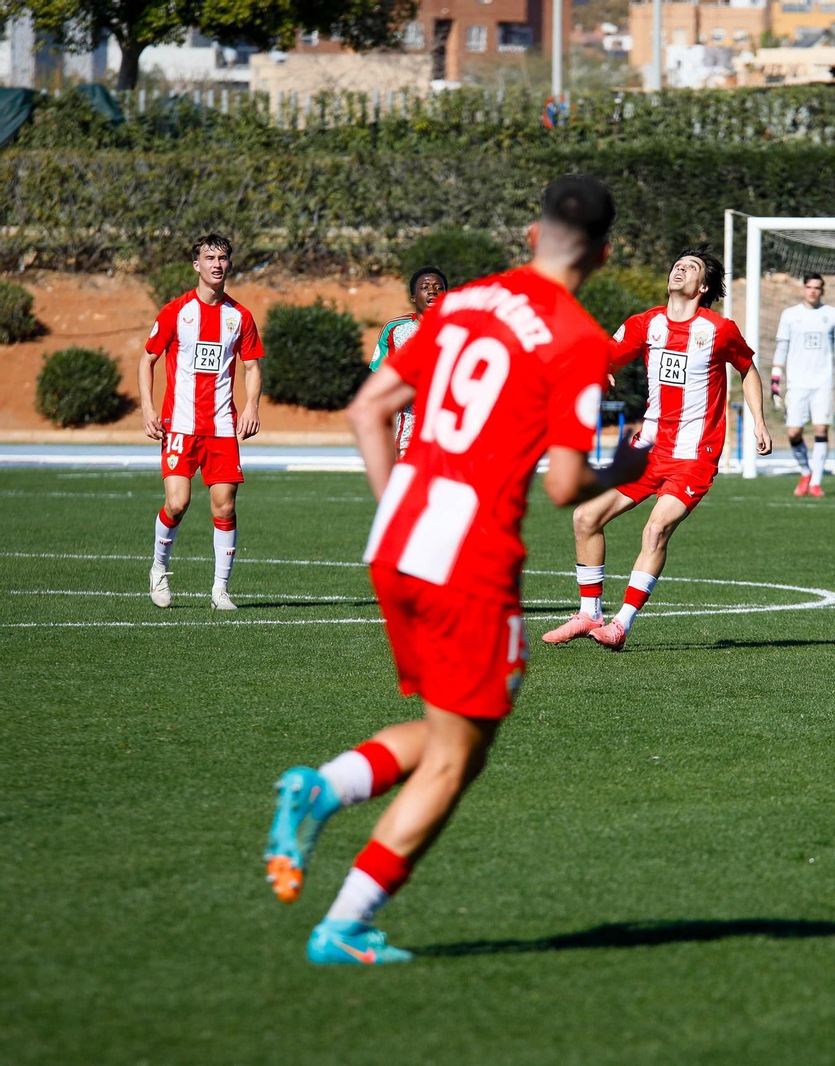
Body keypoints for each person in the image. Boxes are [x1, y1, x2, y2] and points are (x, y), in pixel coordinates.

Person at [261, 175, 650, 964]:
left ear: (534, 233)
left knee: (452, 732)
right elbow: (565, 484)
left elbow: (368, 409)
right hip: (468, 554)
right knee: (456, 758)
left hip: (399, 536)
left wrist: (399, 508)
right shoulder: (576, 339)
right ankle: (344, 924)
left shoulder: (464, 301)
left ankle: (323, 787)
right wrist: (632, 461)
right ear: (603, 255)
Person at [541, 248, 773, 652]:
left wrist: (758, 421)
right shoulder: (645, 324)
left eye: (691, 267)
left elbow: (748, 368)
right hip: (646, 449)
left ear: (702, 287)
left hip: (693, 455)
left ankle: (620, 625)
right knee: (585, 517)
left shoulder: (719, 330)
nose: (679, 267)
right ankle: (589, 613)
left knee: (655, 528)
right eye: (677, 262)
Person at [139, 233, 263, 612]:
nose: (217, 264)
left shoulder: (239, 316)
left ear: (230, 264)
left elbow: (252, 366)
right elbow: (147, 360)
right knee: (177, 503)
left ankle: (220, 590)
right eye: (209, 257)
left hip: (222, 427)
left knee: (224, 506)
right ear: (196, 265)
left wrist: (252, 405)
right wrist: (147, 408)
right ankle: (159, 568)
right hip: (179, 425)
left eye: (223, 258)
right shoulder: (176, 311)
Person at [771, 273, 835, 497]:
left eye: (817, 287)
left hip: (823, 381)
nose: (812, 291)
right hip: (797, 382)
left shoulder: (833, 315)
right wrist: (776, 379)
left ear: (822, 290)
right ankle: (806, 471)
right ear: (803, 289)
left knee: (821, 428)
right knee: (794, 432)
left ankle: (815, 482)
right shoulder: (790, 315)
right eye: (809, 287)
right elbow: (782, 347)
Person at [369, 266, 449, 458]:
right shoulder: (395, 330)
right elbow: (379, 379)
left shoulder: (462, 327)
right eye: (425, 287)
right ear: (413, 297)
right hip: (409, 436)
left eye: (439, 287)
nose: (432, 291)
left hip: (451, 434)